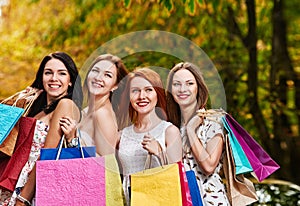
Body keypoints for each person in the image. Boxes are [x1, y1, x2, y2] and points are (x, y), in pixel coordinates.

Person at [10, 51, 83, 206]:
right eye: (48, 73)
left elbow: (47, 156)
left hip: (33, 190)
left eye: (62, 73)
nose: (54, 78)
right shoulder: (37, 107)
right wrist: (24, 96)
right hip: (12, 181)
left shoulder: (65, 105)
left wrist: (23, 199)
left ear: (70, 81)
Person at [166, 62, 230, 205]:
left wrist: (191, 130)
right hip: (181, 200)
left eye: (189, 83)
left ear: (198, 88)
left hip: (210, 201)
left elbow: (208, 166)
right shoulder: (172, 127)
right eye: (176, 84)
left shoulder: (214, 122)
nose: (183, 89)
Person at [116, 67, 182, 206]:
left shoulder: (169, 131)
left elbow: (178, 178)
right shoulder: (121, 135)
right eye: (135, 91)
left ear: (157, 94)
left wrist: (159, 152)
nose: (141, 96)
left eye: (148, 90)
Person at [60, 53, 129, 156]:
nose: (98, 77)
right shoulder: (85, 111)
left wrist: (72, 141)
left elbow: (107, 164)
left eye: (108, 75)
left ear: (115, 85)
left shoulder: (103, 115)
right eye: (95, 71)